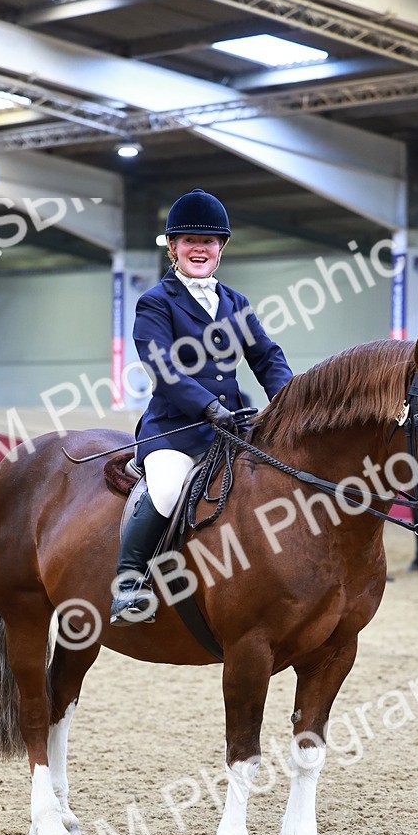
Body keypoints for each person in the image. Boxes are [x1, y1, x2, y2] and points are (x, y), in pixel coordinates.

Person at [110, 189, 293, 625]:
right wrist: (208, 407)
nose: (199, 248)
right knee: (170, 486)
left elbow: (266, 356)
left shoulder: (235, 303)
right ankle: (129, 583)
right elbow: (163, 367)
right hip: (175, 430)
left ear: (221, 248)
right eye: (189, 240)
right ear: (173, 247)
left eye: (208, 242)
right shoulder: (156, 301)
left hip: (231, 430)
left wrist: (290, 401)